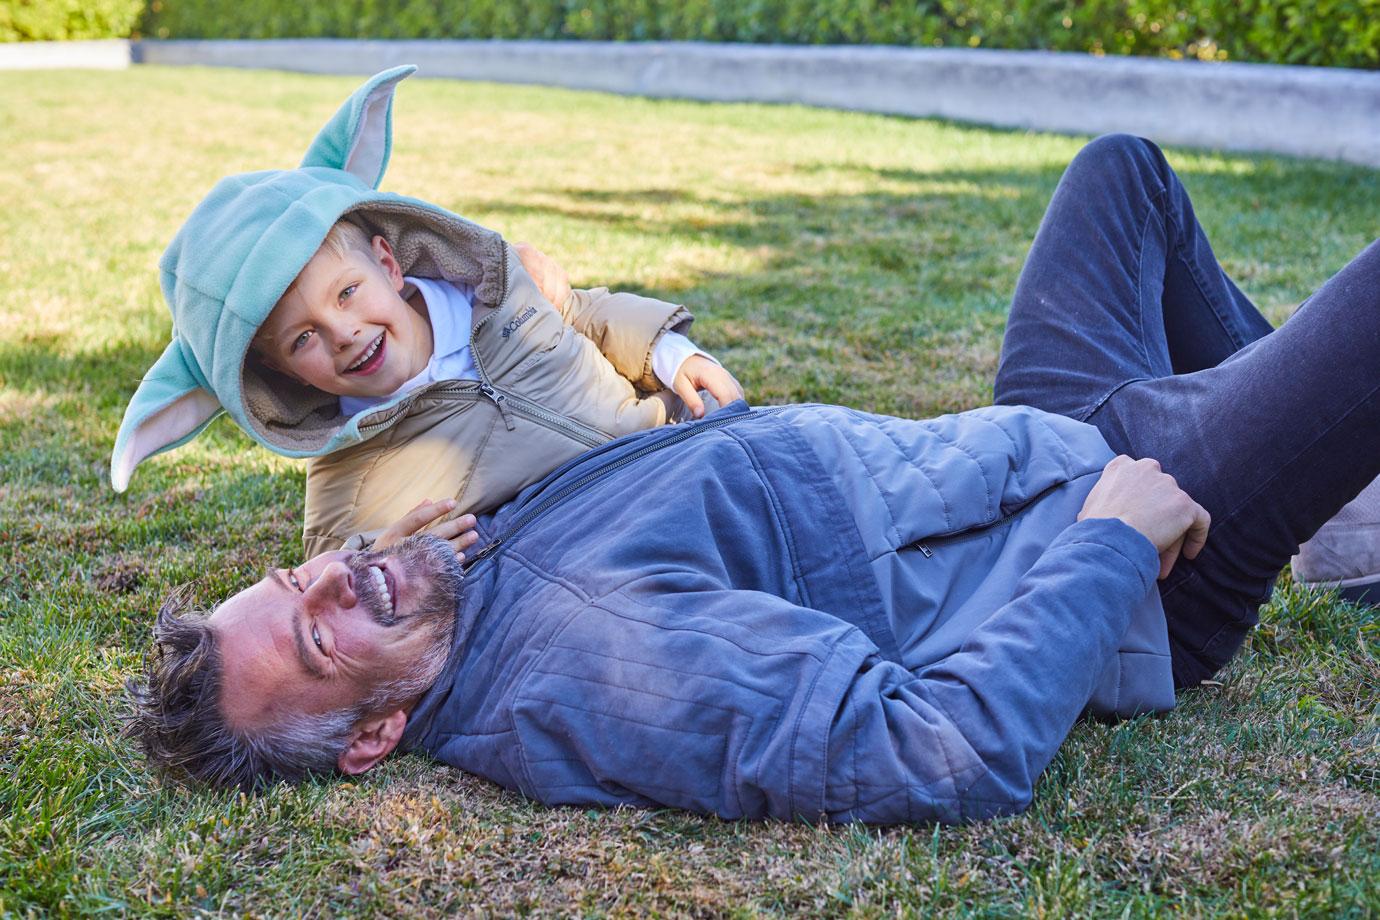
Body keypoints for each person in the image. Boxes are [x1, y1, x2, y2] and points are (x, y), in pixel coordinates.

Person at [126, 135, 1380, 824]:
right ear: (377, 736)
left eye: (300, 571)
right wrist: (1113, 542)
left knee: (1124, 178)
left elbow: (534, 362)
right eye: (323, 632)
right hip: (1129, 528)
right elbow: (938, 752)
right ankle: (1291, 472)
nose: (341, 569)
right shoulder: (590, 657)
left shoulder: (463, 569)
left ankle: (1329, 489)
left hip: (1023, 444)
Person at [109, 66, 742, 556]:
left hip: (671, 446)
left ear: (387, 264)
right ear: (283, 375)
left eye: (347, 292)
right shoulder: (347, 478)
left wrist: (672, 353)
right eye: (303, 339)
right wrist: (389, 563)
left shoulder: (495, 295)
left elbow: (586, 315)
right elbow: (335, 563)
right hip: (591, 543)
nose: (345, 332)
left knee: (801, 466)